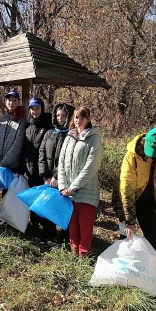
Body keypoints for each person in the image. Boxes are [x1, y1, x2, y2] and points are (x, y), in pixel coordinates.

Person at [111, 127, 156, 286]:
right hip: (126, 197)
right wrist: (129, 221)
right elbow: (126, 190)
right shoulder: (132, 156)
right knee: (125, 233)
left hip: (147, 199)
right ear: (146, 143)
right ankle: (122, 267)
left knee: (153, 234)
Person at [58, 107, 103, 257]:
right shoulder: (69, 137)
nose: (78, 120)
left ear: (88, 119)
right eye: (76, 117)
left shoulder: (94, 138)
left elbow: (91, 166)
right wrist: (63, 186)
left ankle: (84, 255)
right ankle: (74, 251)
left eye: (82, 117)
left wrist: (74, 186)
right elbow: (62, 163)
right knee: (73, 224)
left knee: (85, 224)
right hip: (69, 190)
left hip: (87, 189)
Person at [38, 103, 74, 243]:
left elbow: (67, 159)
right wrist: (45, 176)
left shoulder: (71, 136)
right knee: (48, 207)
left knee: (64, 208)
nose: (61, 118)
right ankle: (49, 234)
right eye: (58, 115)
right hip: (48, 179)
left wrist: (56, 176)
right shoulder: (49, 133)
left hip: (64, 180)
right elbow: (41, 154)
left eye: (64, 116)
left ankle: (65, 236)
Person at [23, 97, 53, 235]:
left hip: (43, 172)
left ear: (42, 109)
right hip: (29, 171)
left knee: (44, 201)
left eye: (37, 108)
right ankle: (34, 224)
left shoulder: (48, 126)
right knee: (33, 199)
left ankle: (47, 228)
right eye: (32, 108)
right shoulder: (27, 127)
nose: (35, 111)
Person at [0, 90, 27, 176]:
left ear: (18, 102)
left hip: (12, 167)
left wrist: (3, 163)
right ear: (5, 102)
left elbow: (17, 145)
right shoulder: (1, 120)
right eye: (9, 100)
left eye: (14, 100)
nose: (11, 103)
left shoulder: (22, 120)